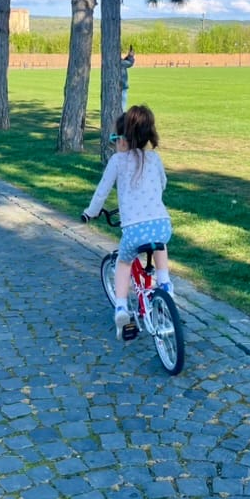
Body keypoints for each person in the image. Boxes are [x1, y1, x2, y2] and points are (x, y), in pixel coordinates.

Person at [82, 105, 173, 341]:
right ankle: (165, 284)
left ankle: (121, 308)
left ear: (122, 140)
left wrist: (90, 213)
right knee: (160, 244)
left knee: (124, 263)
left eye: (114, 138)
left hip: (134, 230)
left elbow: (101, 193)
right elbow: (162, 184)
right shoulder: (154, 158)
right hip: (162, 223)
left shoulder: (117, 161)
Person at [120, 46, 135, 112]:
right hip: (122, 86)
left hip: (119, 86)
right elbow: (129, 63)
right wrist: (131, 56)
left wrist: (128, 56)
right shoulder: (120, 62)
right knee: (123, 106)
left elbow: (124, 61)